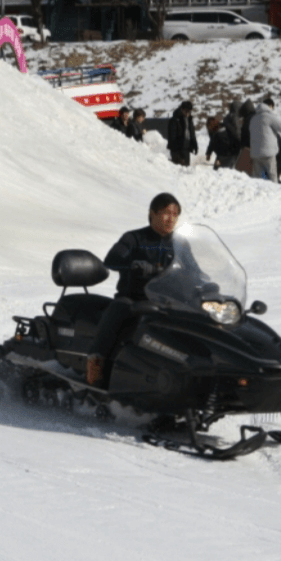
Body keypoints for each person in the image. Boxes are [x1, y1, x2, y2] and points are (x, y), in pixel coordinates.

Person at [85, 193, 181, 386]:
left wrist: (206, 281)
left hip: (165, 302)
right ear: (152, 214)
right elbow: (112, 259)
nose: (171, 218)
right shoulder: (134, 238)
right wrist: (134, 263)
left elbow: (194, 268)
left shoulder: (180, 244)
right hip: (134, 298)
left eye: (175, 214)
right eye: (165, 213)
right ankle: (96, 361)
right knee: (119, 308)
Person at [249, 97, 281, 182]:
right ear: (270, 106)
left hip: (255, 152)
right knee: (272, 176)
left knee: (257, 178)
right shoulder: (269, 116)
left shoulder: (253, 118)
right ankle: (273, 194)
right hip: (268, 152)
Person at [167, 101, 198, 166]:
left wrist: (195, 144)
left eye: (189, 112)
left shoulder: (189, 119)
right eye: (186, 111)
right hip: (177, 149)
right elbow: (172, 137)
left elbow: (192, 133)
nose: (187, 114)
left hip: (186, 148)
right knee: (178, 169)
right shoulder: (174, 120)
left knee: (186, 168)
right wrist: (176, 151)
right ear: (182, 109)